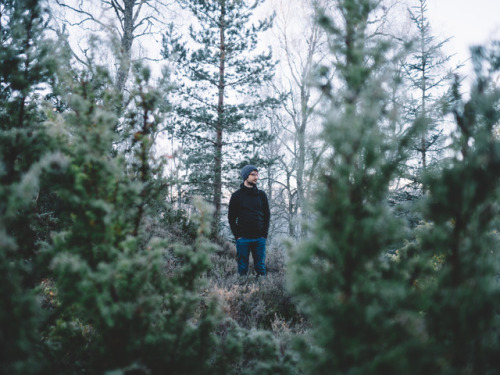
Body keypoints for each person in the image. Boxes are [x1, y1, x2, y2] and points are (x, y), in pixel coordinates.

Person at [228, 164, 270, 276]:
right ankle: (241, 291)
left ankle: (263, 291)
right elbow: (231, 218)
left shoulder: (262, 195)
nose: (256, 177)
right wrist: (238, 236)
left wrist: (263, 235)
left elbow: (267, 216)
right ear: (246, 176)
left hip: (259, 239)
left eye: (257, 175)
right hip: (243, 239)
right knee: (242, 268)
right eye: (253, 174)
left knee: (260, 268)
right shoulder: (236, 196)